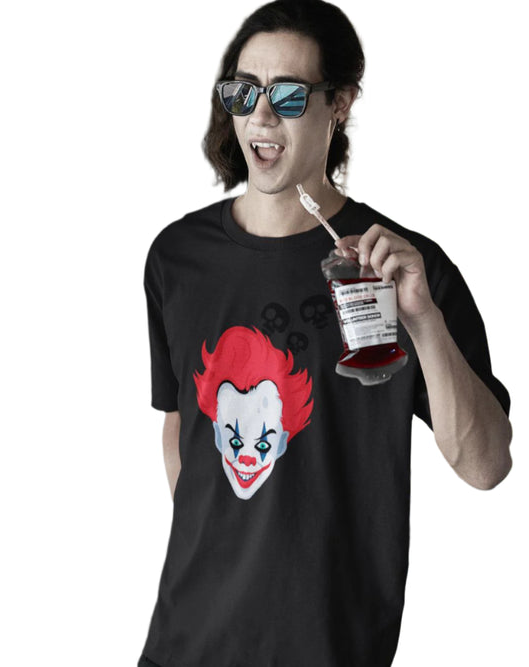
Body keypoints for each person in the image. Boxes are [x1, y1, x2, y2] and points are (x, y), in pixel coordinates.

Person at [138, 1, 513, 665]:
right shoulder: (177, 257)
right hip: (184, 643)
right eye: (243, 92)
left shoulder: (404, 267)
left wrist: (422, 319)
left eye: (287, 95)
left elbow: (486, 465)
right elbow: (181, 429)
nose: (260, 116)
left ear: (339, 104)